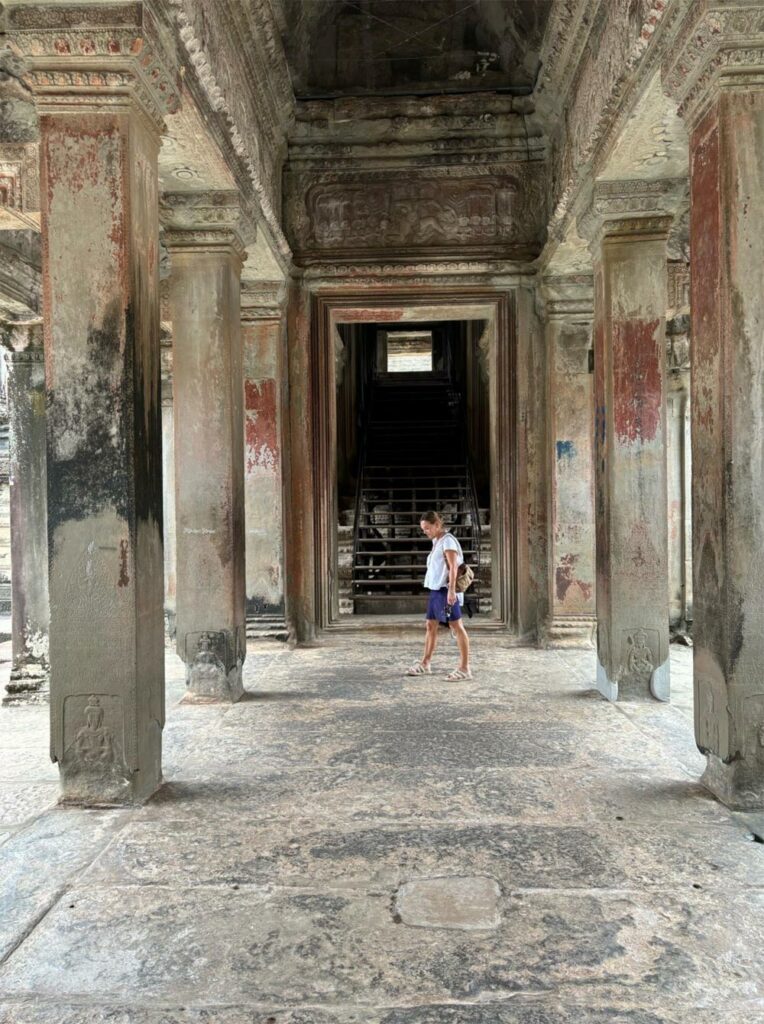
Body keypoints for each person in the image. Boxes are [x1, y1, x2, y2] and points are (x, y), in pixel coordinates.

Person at [404, 510, 472, 680]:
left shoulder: (448, 541)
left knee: (457, 627)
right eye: (423, 529)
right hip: (436, 590)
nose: (425, 531)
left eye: (427, 528)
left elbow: (454, 566)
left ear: (437, 525)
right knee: (430, 625)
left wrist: (450, 591)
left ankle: (464, 669)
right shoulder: (437, 541)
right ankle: (426, 663)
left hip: (445, 590)